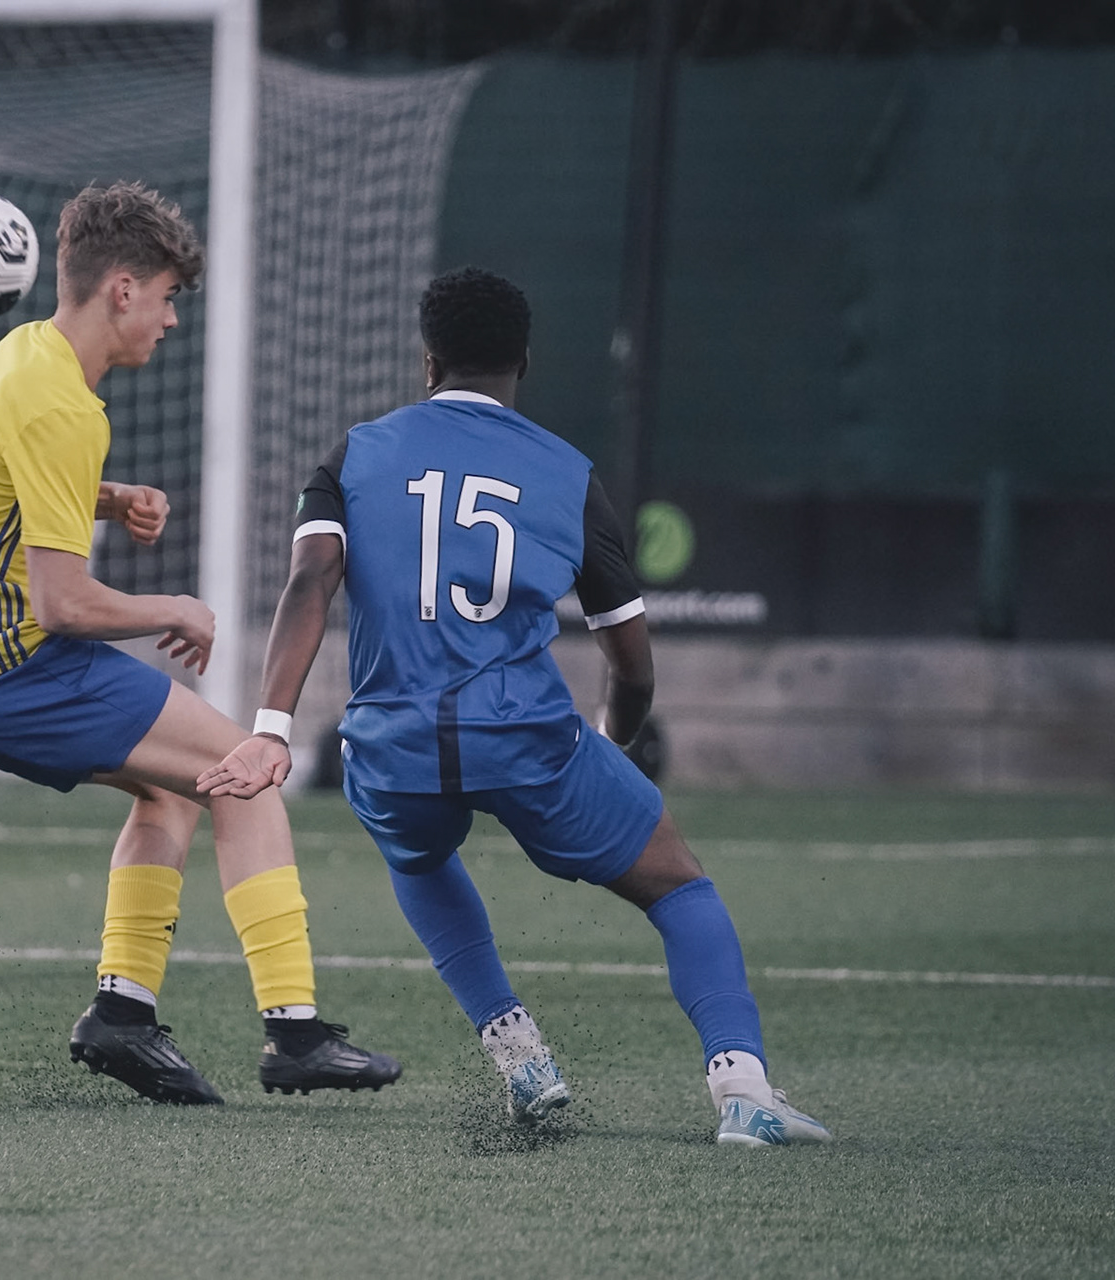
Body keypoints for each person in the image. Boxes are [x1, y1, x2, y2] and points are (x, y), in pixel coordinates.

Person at [199, 268, 831, 1145]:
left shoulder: (355, 454)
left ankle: (521, 1057)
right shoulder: (568, 475)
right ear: (524, 361)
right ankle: (742, 1090)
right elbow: (632, 663)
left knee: (419, 859)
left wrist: (270, 728)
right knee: (682, 887)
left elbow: (310, 580)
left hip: (390, 744)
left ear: (428, 361)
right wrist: (611, 743)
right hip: (525, 738)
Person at [0, 181, 400, 1105]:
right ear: (121, 289)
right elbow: (62, 604)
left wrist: (108, 498)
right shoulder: (62, 405)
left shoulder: (27, 356)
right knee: (244, 771)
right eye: (165, 298)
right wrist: (172, 608)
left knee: (175, 790)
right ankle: (295, 1033)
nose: (169, 320)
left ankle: (123, 1015)